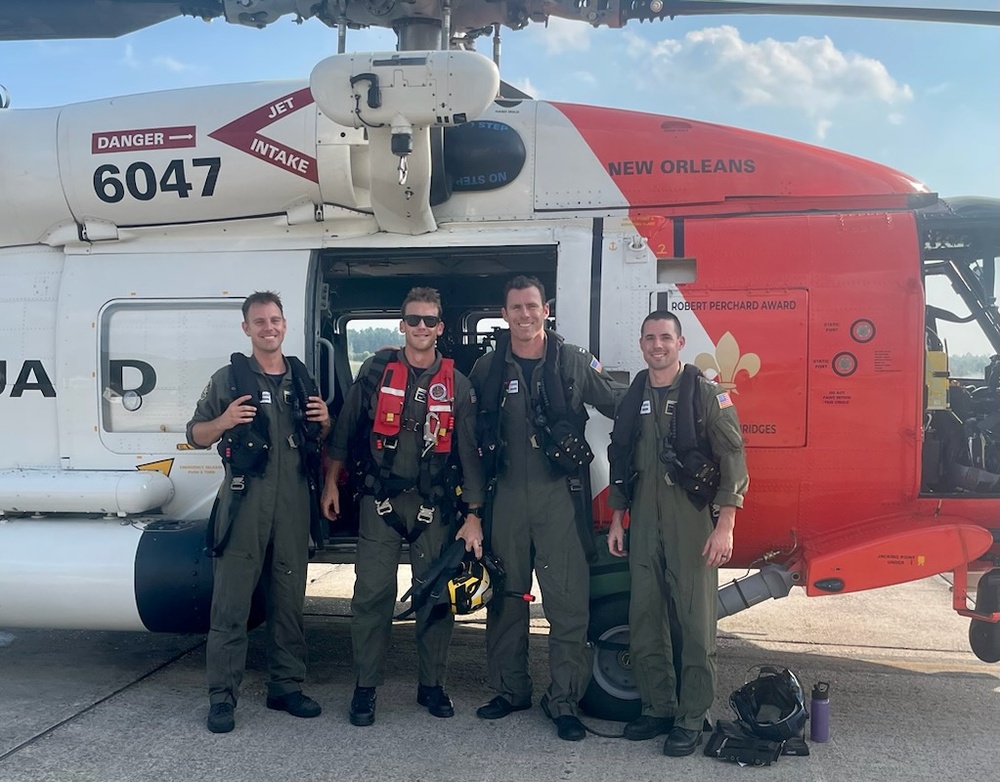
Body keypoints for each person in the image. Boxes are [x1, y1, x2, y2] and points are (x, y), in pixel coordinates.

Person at [322, 287, 485, 727]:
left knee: (435, 598)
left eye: (429, 321)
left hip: (435, 510)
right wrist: (330, 483)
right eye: (413, 320)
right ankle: (365, 687)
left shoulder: (458, 385)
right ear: (402, 324)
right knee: (372, 596)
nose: (421, 328)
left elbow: (470, 455)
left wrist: (473, 515)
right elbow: (344, 431)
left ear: (440, 328)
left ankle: (432, 685)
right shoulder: (376, 373)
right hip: (380, 505)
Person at [470, 275, 619, 742]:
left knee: (568, 606)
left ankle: (564, 702)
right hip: (506, 501)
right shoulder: (488, 368)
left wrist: (685, 394)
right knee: (507, 602)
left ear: (546, 310)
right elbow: (470, 444)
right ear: (505, 313)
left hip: (560, 499)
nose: (525, 315)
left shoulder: (573, 362)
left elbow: (621, 404)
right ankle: (511, 690)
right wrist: (472, 509)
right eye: (516, 308)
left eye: (532, 306)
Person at [186, 291, 330, 734]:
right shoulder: (228, 380)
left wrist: (324, 420)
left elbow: (316, 437)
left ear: (284, 325)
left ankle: (285, 687)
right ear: (246, 328)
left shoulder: (302, 378)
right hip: (245, 501)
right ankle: (222, 698)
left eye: (275, 320)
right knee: (230, 606)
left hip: (292, 506)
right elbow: (195, 435)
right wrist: (224, 422)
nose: (269, 327)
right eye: (260, 321)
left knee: (289, 603)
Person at [607, 310, 749, 757]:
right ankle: (657, 709)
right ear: (642, 343)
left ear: (680, 343)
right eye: (649, 338)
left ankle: (691, 718)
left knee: (695, 625)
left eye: (665, 337)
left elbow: (734, 462)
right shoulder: (635, 395)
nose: (657, 345)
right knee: (645, 619)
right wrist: (617, 518)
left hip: (691, 520)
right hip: (643, 522)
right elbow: (624, 461)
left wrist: (724, 525)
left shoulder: (706, 395)